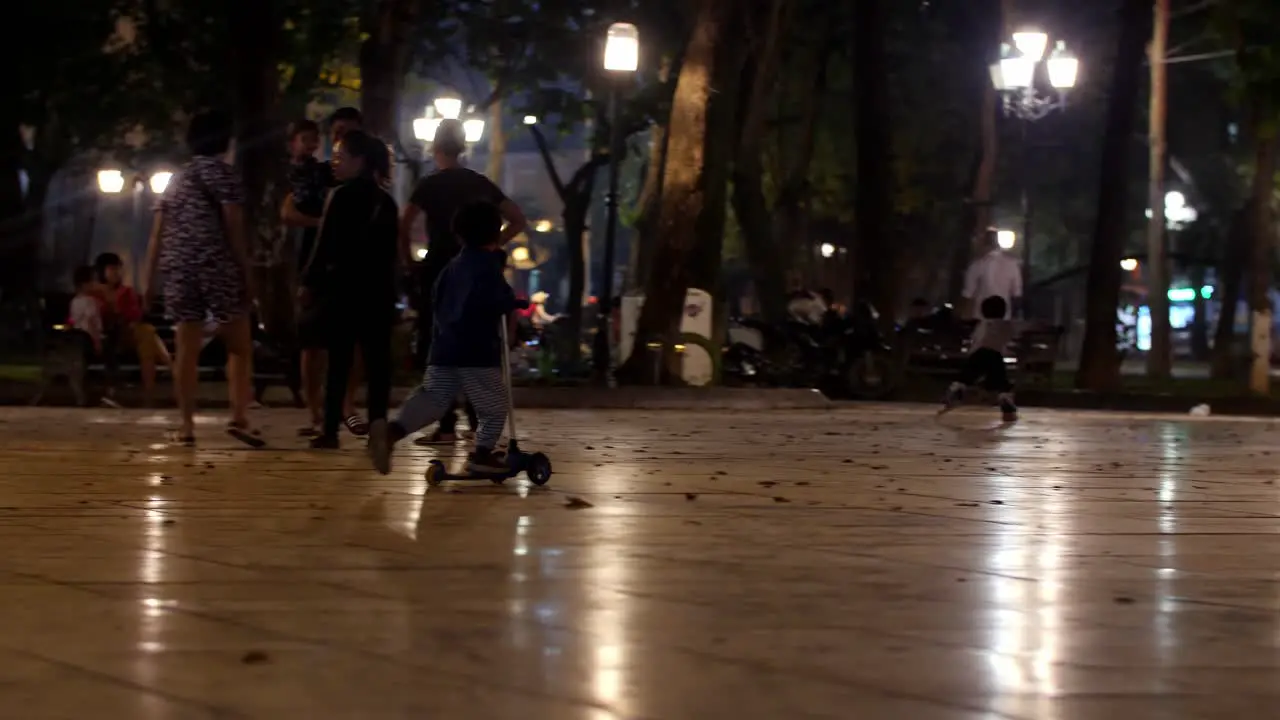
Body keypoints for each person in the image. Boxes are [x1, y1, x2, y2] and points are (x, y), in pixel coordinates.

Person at [370, 201, 522, 475]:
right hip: (477, 350)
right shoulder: (488, 268)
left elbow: (437, 302)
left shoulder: (450, 268)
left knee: (434, 398)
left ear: (459, 235)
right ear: (496, 233)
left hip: (444, 348)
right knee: (494, 406)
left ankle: (393, 432)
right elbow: (497, 299)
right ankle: (482, 453)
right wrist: (512, 303)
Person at [400, 118, 527, 445]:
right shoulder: (480, 184)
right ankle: (478, 421)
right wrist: (494, 243)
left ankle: (444, 426)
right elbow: (518, 218)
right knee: (478, 345)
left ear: (436, 148)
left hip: (438, 269)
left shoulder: (428, 185)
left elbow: (404, 225)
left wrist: (409, 261)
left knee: (441, 343)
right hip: (479, 270)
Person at [141, 110, 262, 447]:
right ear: (226, 141)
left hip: (178, 267)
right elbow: (233, 228)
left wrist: (148, 280)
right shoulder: (225, 175)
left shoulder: (175, 179)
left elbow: (157, 234)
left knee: (186, 348)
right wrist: (245, 270)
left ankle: (187, 426)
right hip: (216, 264)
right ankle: (239, 416)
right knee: (239, 346)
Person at [299, 130, 399, 451]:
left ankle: (329, 431)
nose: (335, 163)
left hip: (343, 289)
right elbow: (389, 253)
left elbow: (324, 244)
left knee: (339, 362)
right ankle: (379, 430)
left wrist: (309, 283)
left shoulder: (340, 196)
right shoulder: (386, 202)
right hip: (378, 292)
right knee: (377, 366)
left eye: (341, 157)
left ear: (359, 161)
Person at [281, 118, 365, 437]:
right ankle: (316, 411)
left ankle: (346, 405)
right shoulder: (314, 173)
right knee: (313, 341)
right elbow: (288, 210)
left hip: (350, 266)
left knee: (351, 339)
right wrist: (321, 224)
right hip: (313, 264)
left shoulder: (360, 179)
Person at [93, 252, 172, 406]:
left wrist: (121, 311)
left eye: (118, 268)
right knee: (148, 333)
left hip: (127, 334)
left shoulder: (127, 291)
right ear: (102, 271)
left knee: (146, 334)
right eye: (112, 269)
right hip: (106, 336)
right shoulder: (95, 292)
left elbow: (135, 314)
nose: (116, 272)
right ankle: (170, 367)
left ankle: (154, 387)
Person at [939, 295, 1018, 422]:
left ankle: (956, 390)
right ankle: (1005, 398)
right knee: (999, 378)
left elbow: (976, 341)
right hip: (995, 355)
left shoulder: (982, 325)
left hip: (978, 354)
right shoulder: (1007, 325)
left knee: (967, 375)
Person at [961, 228, 1022, 319]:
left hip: (981, 318)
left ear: (983, 243)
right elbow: (1017, 293)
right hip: (1004, 318)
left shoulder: (977, 265)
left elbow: (968, 294)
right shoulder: (1012, 264)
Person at [68, 266, 104, 357]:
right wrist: (97, 342)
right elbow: (90, 322)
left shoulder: (74, 301)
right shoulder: (90, 301)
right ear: (85, 284)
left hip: (78, 338)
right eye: (94, 280)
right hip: (89, 339)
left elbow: (73, 320)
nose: (96, 283)